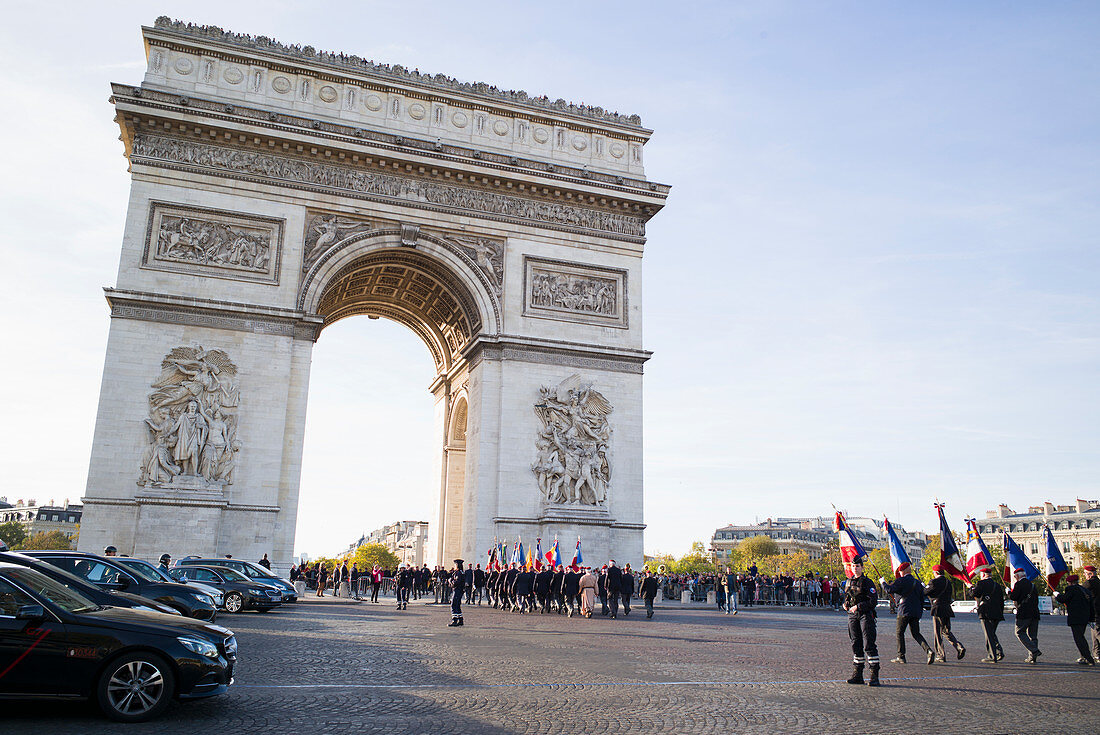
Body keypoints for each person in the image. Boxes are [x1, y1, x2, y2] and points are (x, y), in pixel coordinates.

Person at [881, 562, 934, 664]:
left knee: (899, 633)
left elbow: (889, 589)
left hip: (904, 610)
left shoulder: (901, 581)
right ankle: (928, 651)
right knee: (916, 633)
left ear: (904, 571)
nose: (899, 573)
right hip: (916, 612)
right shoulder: (917, 582)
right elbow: (922, 598)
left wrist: (883, 583)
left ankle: (901, 656)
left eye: (900, 571)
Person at [842, 559, 880, 686]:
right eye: (853, 566)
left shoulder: (868, 582)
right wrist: (846, 604)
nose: (855, 568)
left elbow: (873, 601)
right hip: (852, 616)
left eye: (857, 566)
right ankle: (857, 674)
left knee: (869, 644)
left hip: (865, 615)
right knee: (855, 643)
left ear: (862, 567)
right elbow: (847, 597)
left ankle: (874, 675)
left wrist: (858, 607)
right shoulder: (849, 581)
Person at [925, 565, 965, 661]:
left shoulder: (933, 582)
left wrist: (924, 587)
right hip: (947, 608)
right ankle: (958, 646)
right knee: (946, 631)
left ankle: (940, 654)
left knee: (938, 633)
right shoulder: (948, 582)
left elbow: (925, 592)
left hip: (937, 608)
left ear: (936, 573)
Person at [1054, 574, 1096, 665]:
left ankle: (1088, 658)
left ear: (1070, 583)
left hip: (1076, 618)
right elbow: (1091, 605)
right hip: (1085, 617)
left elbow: (1064, 599)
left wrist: (1057, 595)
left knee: (1079, 639)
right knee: (1081, 637)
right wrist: (1092, 619)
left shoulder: (1071, 589)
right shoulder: (1085, 590)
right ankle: (1084, 657)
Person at [970, 567, 1005, 663]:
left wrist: (970, 587)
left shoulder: (981, 583)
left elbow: (973, 594)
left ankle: (992, 656)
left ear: (984, 575)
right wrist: (1000, 612)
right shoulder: (997, 585)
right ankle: (998, 652)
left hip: (985, 612)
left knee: (989, 635)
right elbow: (1001, 601)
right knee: (992, 634)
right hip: (997, 613)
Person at [1007, 568, 1041, 663]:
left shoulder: (1019, 584)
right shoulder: (1033, 585)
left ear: (1017, 576)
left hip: (1024, 613)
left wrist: (1009, 592)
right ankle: (1032, 657)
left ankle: (1034, 650)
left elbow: (1014, 597)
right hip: (1035, 613)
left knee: (1019, 632)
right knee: (1033, 636)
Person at [1083, 565, 1100, 662]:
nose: (1085, 575)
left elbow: (1080, 592)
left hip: (1094, 611)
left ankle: (1096, 654)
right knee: (1094, 634)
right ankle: (1096, 654)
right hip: (1097, 611)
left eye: (1085, 573)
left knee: (1097, 632)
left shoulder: (1089, 583)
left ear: (1090, 574)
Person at [448, 559, 466, 626]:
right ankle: (460, 619)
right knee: (457, 605)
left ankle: (454, 620)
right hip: (460, 590)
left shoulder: (458, 573)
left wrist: (451, 581)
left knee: (454, 604)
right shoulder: (461, 572)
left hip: (457, 590)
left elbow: (457, 582)